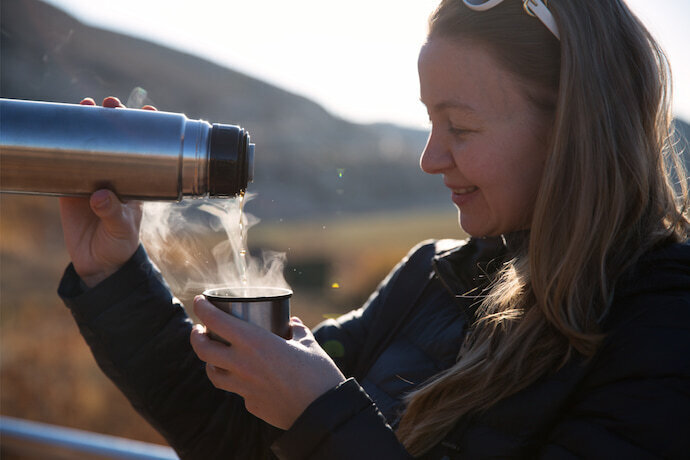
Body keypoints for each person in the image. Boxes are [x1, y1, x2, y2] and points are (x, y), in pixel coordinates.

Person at [58, 0, 690, 458]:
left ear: (573, 131)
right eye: (429, 124)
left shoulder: (663, 324)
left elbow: (317, 418)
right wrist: (112, 273)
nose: (430, 157)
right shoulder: (432, 280)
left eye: (460, 128)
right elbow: (231, 433)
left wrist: (323, 417)